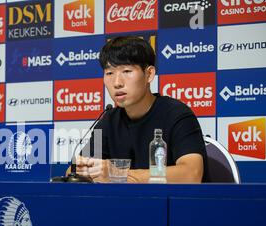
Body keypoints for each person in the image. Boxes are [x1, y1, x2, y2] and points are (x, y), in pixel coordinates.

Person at [71, 36, 208, 183]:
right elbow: (73, 171)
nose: (117, 83)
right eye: (109, 73)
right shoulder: (108, 120)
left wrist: (119, 174)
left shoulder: (177, 114)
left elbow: (191, 174)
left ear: (149, 74)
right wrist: (83, 170)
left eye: (127, 71)